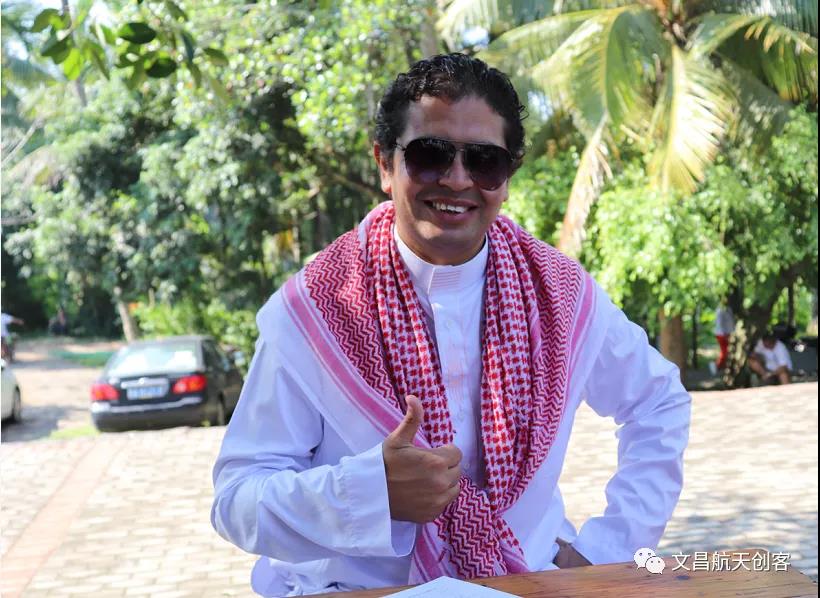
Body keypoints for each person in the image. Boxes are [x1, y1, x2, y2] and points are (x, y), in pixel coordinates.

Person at [211, 53, 691, 596]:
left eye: (484, 161)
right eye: (429, 155)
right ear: (385, 164)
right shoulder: (318, 310)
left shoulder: (558, 295)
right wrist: (369, 493)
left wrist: (608, 550)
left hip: (525, 580)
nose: (457, 179)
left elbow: (658, 402)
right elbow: (237, 500)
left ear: (506, 178)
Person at [712, 301, 735, 373]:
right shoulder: (720, 310)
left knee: (727, 352)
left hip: (727, 334)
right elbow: (719, 324)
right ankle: (717, 366)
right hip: (722, 334)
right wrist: (724, 335)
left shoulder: (728, 309)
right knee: (724, 352)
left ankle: (722, 367)